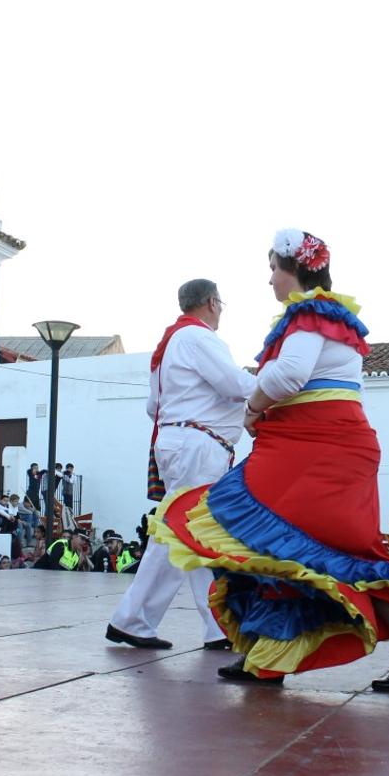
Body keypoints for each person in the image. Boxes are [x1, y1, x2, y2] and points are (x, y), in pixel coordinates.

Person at [151, 231, 389, 691]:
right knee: (277, 545)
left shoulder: (308, 313)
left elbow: (289, 374)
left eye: (273, 269)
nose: (269, 280)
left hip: (321, 447)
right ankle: (267, 656)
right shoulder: (324, 316)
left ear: (296, 270)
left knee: (267, 531)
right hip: (312, 443)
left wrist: (252, 407)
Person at [106, 278, 254, 651]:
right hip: (198, 445)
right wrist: (279, 386)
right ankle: (132, 619)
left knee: (196, 532)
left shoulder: (171, 342)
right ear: (211, 302)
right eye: (221, 301)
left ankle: (217, 626)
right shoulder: (199, 338)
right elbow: (234, 383)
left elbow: (151, 407)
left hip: (181, 441)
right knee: (177, 533)